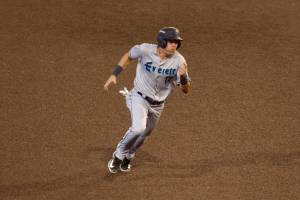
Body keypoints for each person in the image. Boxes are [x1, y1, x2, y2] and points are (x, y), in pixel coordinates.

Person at [103, 27, 191, 173]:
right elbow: (129, 55)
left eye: (176, 42)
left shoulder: (179, 61)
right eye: (171, 42)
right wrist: (114, 74)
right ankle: (118, 155)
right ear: (162, 42)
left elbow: (186, 90)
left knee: (144, 135)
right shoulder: (145, 50)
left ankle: (129, 155)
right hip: (139, 97)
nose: (175, 45)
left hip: (158, 105)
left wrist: (182, 76)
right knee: (138, 128)